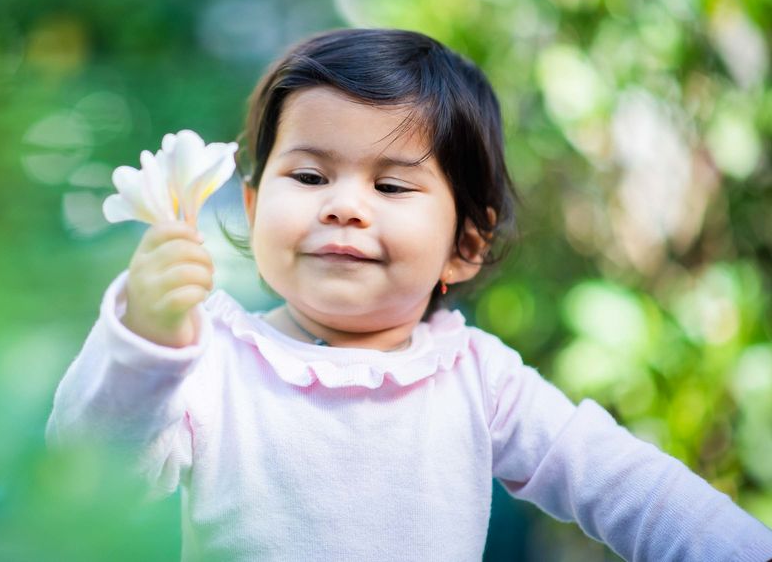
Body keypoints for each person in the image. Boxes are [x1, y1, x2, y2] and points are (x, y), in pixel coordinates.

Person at [45, 28, 772, 561]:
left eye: (391, 186)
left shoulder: (478, 379)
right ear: (253, 200)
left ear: (465, 244)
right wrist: (147, 339)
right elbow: (93, 476)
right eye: (309, 177)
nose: (344, 206)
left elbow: (630, 490)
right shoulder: (211, 360)